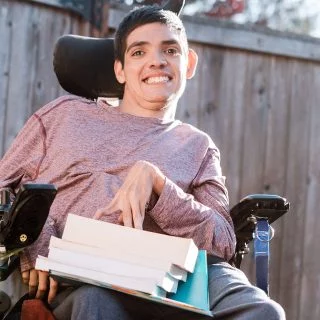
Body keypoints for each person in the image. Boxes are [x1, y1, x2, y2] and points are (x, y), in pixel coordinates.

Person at [0, 5, 285, 320]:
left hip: (178, 278)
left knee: (264, 311)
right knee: (97, 302)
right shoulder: (62, 117)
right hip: (82, 278)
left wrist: (160, 186)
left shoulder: (198, 147)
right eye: (139, 52)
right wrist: (37, 239)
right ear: (120, 70)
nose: (156, 61)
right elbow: (3, 191)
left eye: (170, 49)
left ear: (188, 63)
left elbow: (223, 242)